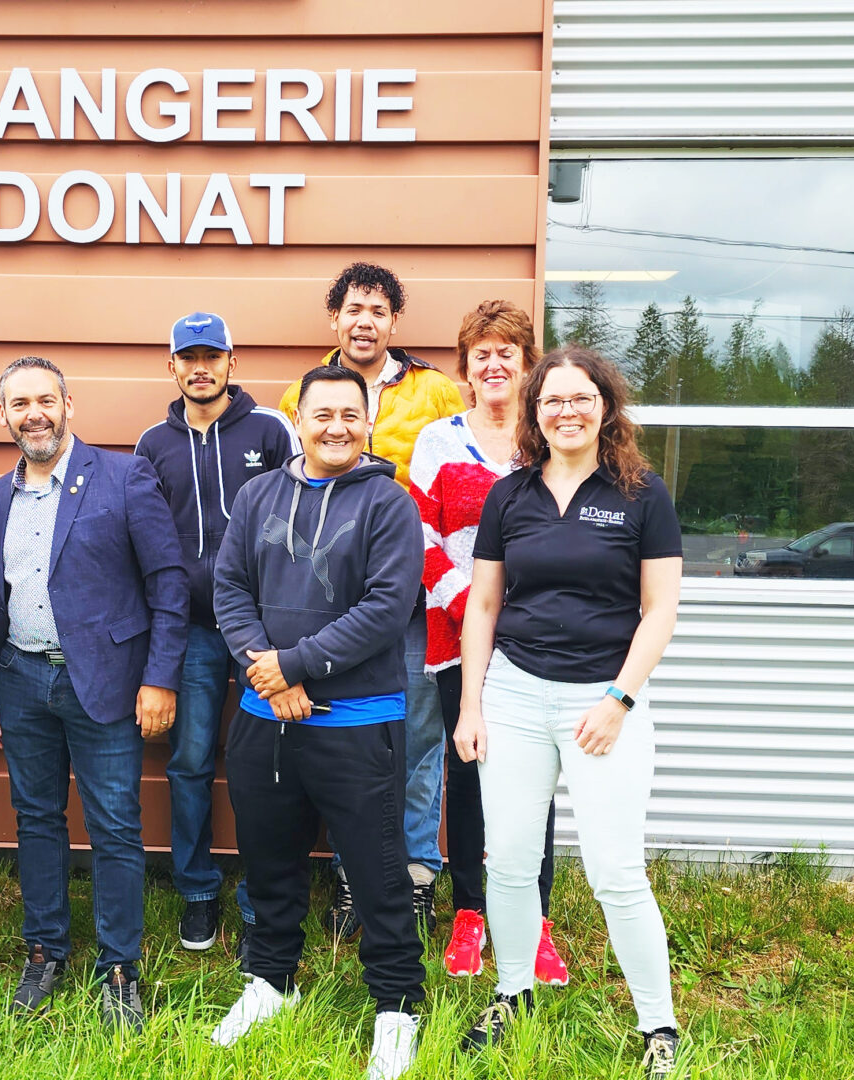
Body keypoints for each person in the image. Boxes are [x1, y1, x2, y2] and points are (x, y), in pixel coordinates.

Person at [451, 346, 684, 1076]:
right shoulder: (509, 495)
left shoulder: (643, 494)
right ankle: (512, 990)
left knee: (616, 869)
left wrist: (619, 700)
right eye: (552, 400)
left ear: (604, 406)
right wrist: (471, 707)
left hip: (600, 700)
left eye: (582, 398)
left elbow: (661, 612)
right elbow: (484, 604)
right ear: (535, 411)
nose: (567, 411)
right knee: (512, 862)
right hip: (514, 695)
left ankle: (659, 1026)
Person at [210, 363, 427, 1080]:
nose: (336, 427)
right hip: (262, 716)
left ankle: (397, 1004)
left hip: (357, 722)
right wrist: (266, 672)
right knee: (268, 863)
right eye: (322, 413)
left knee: (377, 873)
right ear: (296, 418)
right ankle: (271, 980)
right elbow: (231, 587)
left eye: (350, 414)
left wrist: (296, 664)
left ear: (368, 422)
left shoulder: (389, 504)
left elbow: (387, 607)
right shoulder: (257, 494)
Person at [0, 356, 186, 1030]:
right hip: (23, 677)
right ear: (1, 415)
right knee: (36, 818)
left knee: (116, 825)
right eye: (19, 404)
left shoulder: (124, 477)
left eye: (45, 399)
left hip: (108, 682)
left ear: (70, 404)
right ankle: (44, 951)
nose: (34, 413)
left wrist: (159, 678)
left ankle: (119, 967)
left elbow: (168, 584)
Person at [278, 262, 463, 937]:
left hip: (418, 595)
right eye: (354, 309)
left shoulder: (437, 391)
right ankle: (357, 876)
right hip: (331, 598)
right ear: (335, 319)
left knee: (416, 737)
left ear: (394, 322)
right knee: (350, 737)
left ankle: (413, 874)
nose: (365, 321)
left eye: (378, 310)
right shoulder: (302, 392)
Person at [407, 302, 564, 984]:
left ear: (528, 367)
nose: (495, 364)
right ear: (465, 370)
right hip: (457, 641)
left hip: (542, 643)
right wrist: (471, 607)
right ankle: (471, 912)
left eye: (508, 353)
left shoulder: (554, 440)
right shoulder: (438, 442)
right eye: (482, 355)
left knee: (536, 782)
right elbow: (419, 535)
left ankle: (535, 923)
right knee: (467, 772)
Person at [133, 311, 296, 951]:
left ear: (233, 361)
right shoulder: (153, 444)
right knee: (192, 760)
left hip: (262, 627)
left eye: (212, 355)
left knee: (268, 764)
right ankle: (198, 891)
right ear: (171, 366)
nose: (201, 368)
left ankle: (262, 896)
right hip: (192, 629)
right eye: (188, 357)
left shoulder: (270, 429)